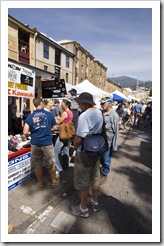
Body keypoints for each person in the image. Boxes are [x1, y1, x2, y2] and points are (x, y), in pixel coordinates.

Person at [71, 92, 104, 218]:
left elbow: (80, 137)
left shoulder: (84, 116)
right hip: (96, 149)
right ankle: (94, 201)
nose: (78, 104)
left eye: (79, 102)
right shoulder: (99, 112)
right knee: (95, 177)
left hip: (84, 151)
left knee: (83, 181)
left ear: (85, 103)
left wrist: (74, 147)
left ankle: (83, 208)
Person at [23, 97, 59, 190]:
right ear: (41, 103)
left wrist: (33, 131)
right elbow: (55, 127)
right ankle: (53, 181)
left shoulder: (30, 117)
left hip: (35, 143)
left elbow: (25, 132)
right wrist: (49, 129)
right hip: (47, 143)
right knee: (50, 163)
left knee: (37, 165)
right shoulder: (49, 114)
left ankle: (40, 183)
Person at [100, 98, 119, 185]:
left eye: (104, 103)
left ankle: (104, 174)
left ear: (109, 104)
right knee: (100, 157)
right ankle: (101, 171)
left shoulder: (114, 115)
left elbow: (116, 131)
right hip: (101, 140)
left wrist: (115, 146)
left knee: (106, 159)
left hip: (108, 141)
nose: (103, 104)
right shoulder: (102, 113)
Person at [54, 99, 73, 181]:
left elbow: (59, 123)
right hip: (68, 133)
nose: (61, 106)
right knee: (65, 149)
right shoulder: (70, 112)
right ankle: (66, 166)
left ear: (66, 105)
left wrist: (57, 119)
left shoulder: (65, 113)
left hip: (63, 134)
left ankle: (59, 169)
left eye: (62, 104)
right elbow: (67, 121)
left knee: (56, 150)